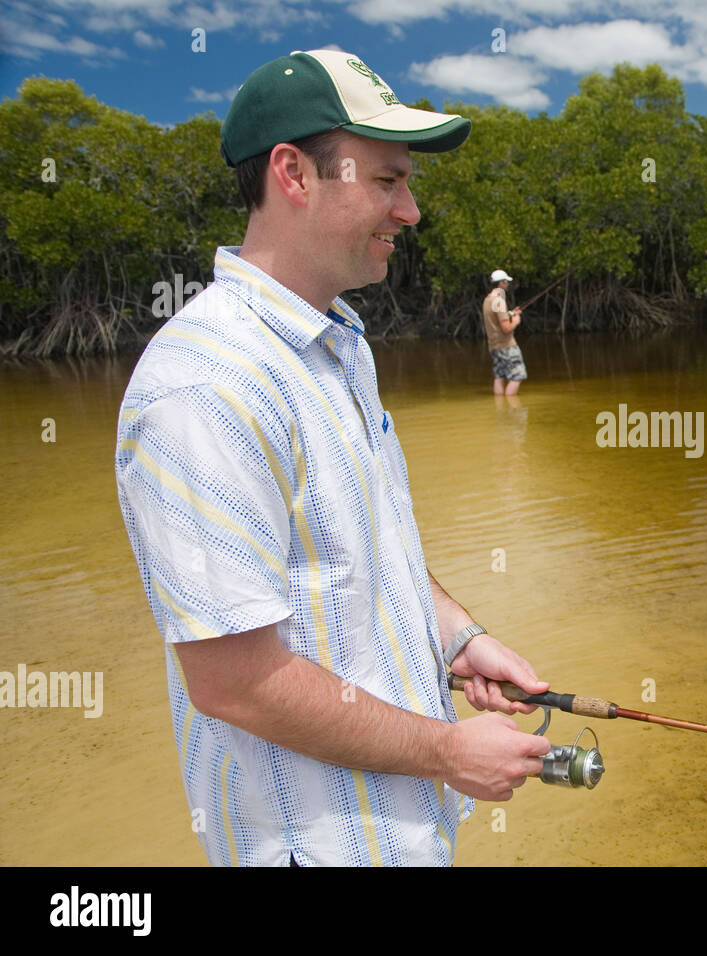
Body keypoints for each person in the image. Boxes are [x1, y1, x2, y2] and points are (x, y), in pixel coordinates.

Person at [113, 48, 551, 867]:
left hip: (406, 835)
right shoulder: (204, 386)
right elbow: (234, 680)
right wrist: (450, 752)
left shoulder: (340, 346)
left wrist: (455, 639)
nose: (412, 210)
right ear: (294, 174)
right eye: (388, 181)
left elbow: (363, 548)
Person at [482, 269, 527, 394]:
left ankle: (501, 409)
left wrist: (512, 313)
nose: (508, 285)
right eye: (506, 282)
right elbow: (506, 328)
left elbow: (496, 318)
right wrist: (516, 320)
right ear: (501, 283)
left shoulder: (487, 300)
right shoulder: (499, 301)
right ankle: (512, 409)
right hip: (506, 346)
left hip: (494, 347)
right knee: (517, 376)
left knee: (499, 376)